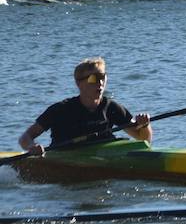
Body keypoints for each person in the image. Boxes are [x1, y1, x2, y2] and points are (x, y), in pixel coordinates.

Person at [17, 57, 151, 156]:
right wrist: (32, 147)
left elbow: (143, 138)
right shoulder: (60, 110)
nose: (100, 82)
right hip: (67, 157)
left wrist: (144, 125)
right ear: (78, 83)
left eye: (102, 77)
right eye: (93, 78)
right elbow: (25, 137)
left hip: (103, 156)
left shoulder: (111, 107)